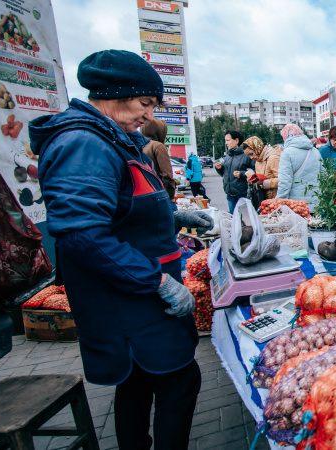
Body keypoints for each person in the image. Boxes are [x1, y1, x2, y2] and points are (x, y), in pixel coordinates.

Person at [30, 49, 213, 450]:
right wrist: (157, 283)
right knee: (177, 383)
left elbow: (126, 204)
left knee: (138, 387)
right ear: (115, 93)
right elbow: (82, 234)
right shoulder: (84, 144)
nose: (149, 114)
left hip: (138, 298)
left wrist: (175, 216)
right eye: (145, 103)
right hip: (129, 301)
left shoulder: (116, 138)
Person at [276, 124, 321, 212]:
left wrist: (279, 201)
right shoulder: (316, 152)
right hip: (316, 205)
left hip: (296, 206)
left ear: (286, 136)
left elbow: (285, 182)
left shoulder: (286, 153)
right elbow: (323, 176)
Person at [215, 130, 254, 213]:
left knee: (245, 221)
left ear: (236, 140)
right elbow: (224, 174)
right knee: (234, 220)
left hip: (243, 195)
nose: (226, 143)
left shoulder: (247, 154)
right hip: (230, 195)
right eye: (225, 140)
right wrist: (219, 168)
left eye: (228, 140)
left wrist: (242, 174)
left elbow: (255, 171)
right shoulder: (227, 156)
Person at [141, 118, 176, 199]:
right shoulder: (157, 146)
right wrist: (170, 196)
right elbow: (167, 175)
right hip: (157, 193)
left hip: (141, 193)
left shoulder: (135, 145)